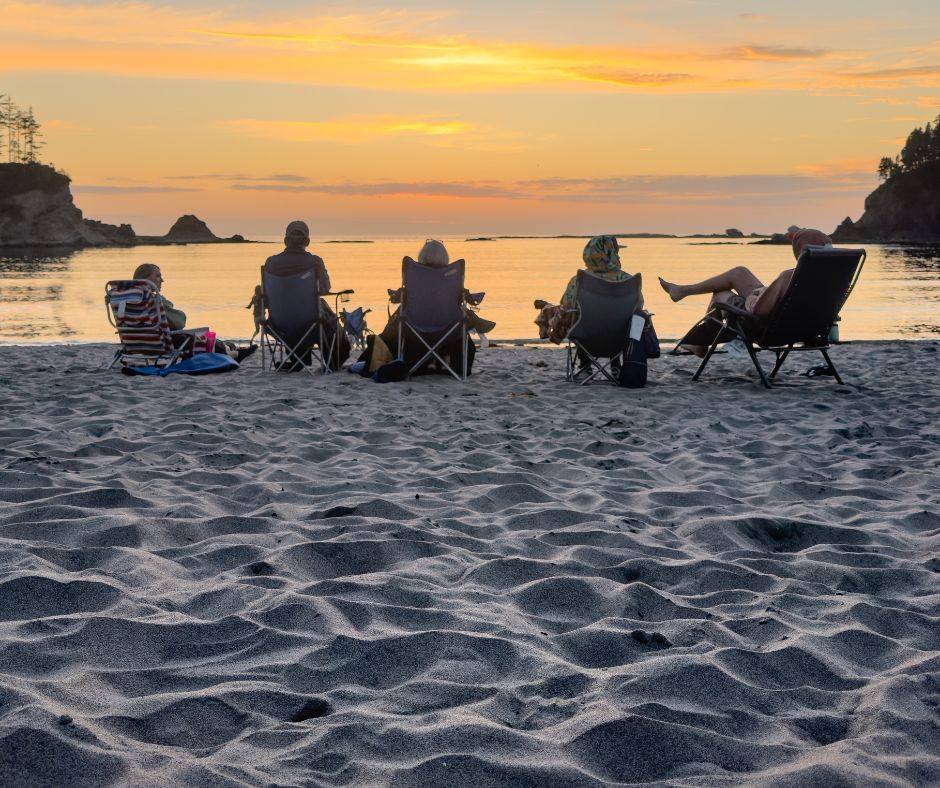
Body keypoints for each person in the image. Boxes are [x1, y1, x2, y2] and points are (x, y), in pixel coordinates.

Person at [657, 226, 832, 355]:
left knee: (720, 295)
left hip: (767, 327)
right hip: (804, 327)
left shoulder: (789, 277)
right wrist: (765, 291)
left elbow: (760, 310)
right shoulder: (829, 279)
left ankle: (699, 342)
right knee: (739, 272)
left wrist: (757, 295)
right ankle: (682, 291)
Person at [356, 239, 492, 377]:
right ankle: (458, 363)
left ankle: (395, 360)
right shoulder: (452, 281)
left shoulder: (415, 278)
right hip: (448, 334)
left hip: (415, 335)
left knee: (398, 322)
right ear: (445, 257)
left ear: (422, 256)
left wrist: (397, 295)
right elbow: (466, 300)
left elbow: (396, 299)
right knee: (463, 322)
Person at [262, 220, 349, 370]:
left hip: (279, 325)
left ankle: (298, 359)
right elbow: (325, 288)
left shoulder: (270, 263)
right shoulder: (314, 262)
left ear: (285, 240)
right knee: (326, 319)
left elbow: (266, 295)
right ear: (307, 241)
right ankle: (331, 363)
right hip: (309, 325)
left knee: (299, 314)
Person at [131, 263, 256, 362]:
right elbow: (180, 322)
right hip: (161, 343)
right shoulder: (154, 300)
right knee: (202, 338)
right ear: (144, 280)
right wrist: (164, 303)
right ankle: (235, 353)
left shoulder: (125, 299)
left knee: (206, 341)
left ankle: (231, 349)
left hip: (135, 343)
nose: (162, 280)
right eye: (157, 276)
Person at [534, 235, 642, 345]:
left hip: (586, 335)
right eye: (616, 252)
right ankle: (615, 361)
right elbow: (639, 305)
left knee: (568, 313)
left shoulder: (579, 280)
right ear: (611, 253)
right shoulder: (628, 280)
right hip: (621, 336)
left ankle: (584, 360)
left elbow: (566, 305)